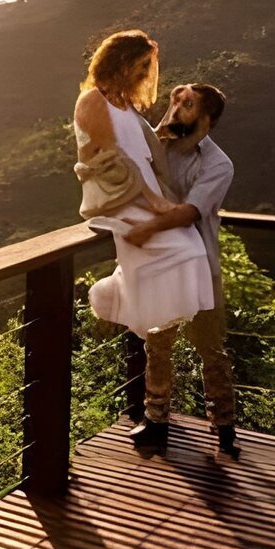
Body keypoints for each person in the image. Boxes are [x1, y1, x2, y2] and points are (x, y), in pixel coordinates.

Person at [73, 31, 214, 342]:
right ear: (118, 62)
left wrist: (178, 113)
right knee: (181, 249)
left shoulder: (125, 104)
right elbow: (114, 158)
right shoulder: (93, 99)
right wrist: (155, 203)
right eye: (139, 64)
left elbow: (146, 143)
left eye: (146, 65)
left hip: (144, 193)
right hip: (121, 198)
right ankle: (123, 307)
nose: (143, 72)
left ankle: (138, 314)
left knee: (191, 247)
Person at [121, 83, 238, 456]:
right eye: (175, 99)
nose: (176, 107)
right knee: (157, 344)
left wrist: (147, 229)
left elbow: (189, 211)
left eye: (187, 104)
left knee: (211, 349)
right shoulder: (160, 145)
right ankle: (155, 422)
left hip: (200, 266)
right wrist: (156, 135)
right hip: (164, 265)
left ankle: (224, 429)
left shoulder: (218, 164)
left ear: (206, 119)